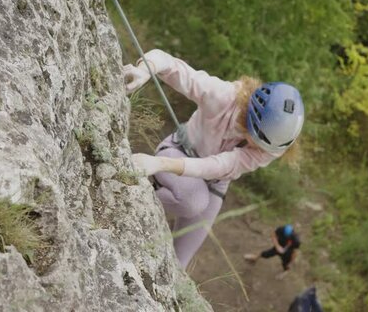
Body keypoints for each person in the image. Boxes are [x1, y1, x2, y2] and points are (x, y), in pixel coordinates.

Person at [125, 49, 305, 268]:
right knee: (193, 201)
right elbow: (171, 65)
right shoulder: (224, 97)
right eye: (258, 141)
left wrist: (160, 165)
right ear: (251, 121)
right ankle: (131, 191)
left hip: (215, 181)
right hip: (179, 149)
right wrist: (146, 69)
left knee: (179, 264)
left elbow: (220, 166)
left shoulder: (274, 147)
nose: (260, 150)